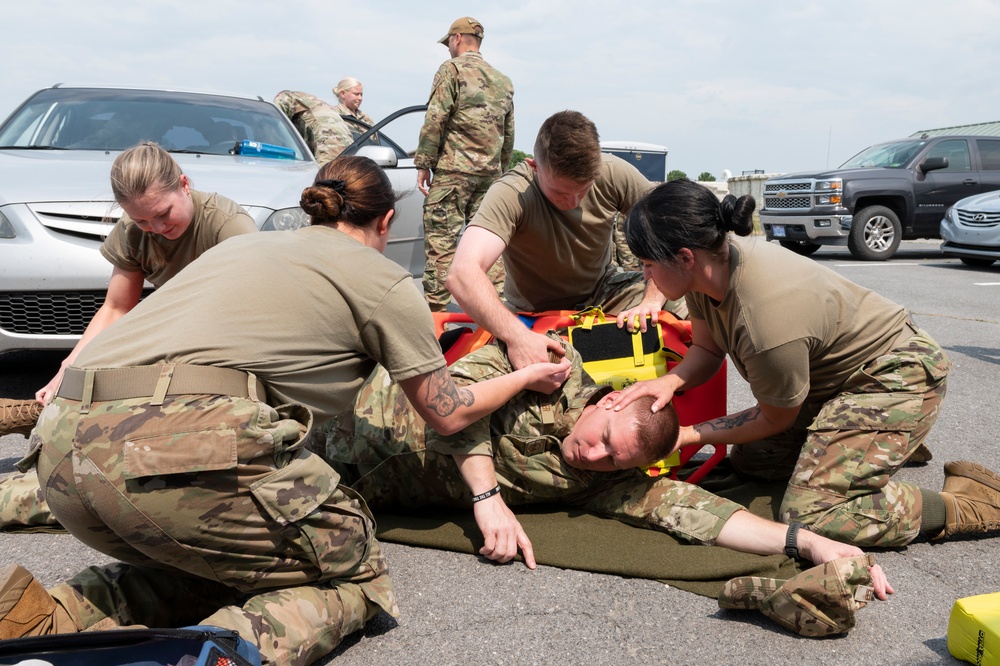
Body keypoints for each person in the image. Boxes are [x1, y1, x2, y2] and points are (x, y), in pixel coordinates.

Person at [0, 156, 570, 666]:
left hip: (57, 452)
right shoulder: (383, 279)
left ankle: (42, 623)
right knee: (351, 568)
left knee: (210, 561)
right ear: (386, 222)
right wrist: (526, 373)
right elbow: (447, 412)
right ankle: (201, 660)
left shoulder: (244, 246)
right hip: (168, 448)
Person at [318, 340, 892, 602]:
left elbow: (698, 512)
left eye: (614, 460)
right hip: (331, 417)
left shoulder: (607, 478)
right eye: (603, 441)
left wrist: (806, 540)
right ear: (607, 404)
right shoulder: (545, 369)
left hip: (344, 489)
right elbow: (455, 402)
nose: (590, 457)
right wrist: (486, 494)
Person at [608, 177, 1000, 548]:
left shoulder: (764, 320)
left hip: (896, 374)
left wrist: (690, 435)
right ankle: (869, 438)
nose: (646, 276)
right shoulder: (707, 269)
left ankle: (967, 501)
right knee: (756, 464)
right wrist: (670, 382)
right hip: (831, 382)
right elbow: (708, 351)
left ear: (684, 257)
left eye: (647, 264)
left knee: (814, 513)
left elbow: (773, 418)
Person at [0, 141, 257, 528]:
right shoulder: (135, 230)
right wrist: (66, 371)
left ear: (184, 185)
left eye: (163, 214)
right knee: (102, 372)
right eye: (141, 221)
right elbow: (117, 308)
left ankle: (55, 420)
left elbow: (247, 312)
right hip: (171, 327)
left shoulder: (229, 226)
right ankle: (49, 410)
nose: (155, 228)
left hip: (223, 332)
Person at [446, 110, 685, 372]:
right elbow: (462, 274)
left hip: (604, 293)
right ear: (535, 167)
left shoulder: (613, 173)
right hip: (534, 312)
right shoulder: (512, 192)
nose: (572, 202)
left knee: (684, 296)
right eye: (560, 193)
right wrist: (517, 337)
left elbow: (671, 226)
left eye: (583, 190)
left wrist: (651, 299)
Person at [414, 16, 513, 311]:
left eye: (448, 43)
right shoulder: (503, 81)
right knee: (488, 246)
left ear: (457, 39)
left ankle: (436, 318)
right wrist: (500, 172)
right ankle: (499, 314)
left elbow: (435, 118)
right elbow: (507, 135)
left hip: (453, 173)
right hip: (489, 176)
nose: (447, 49)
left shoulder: (452, 70)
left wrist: (423, 163)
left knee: (441, 246)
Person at [273, 90, 354, 164]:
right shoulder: (314, 104)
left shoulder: (285, 97)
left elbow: (275, 121)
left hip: (328, 143)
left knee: (324, 177)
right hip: (348, 148)